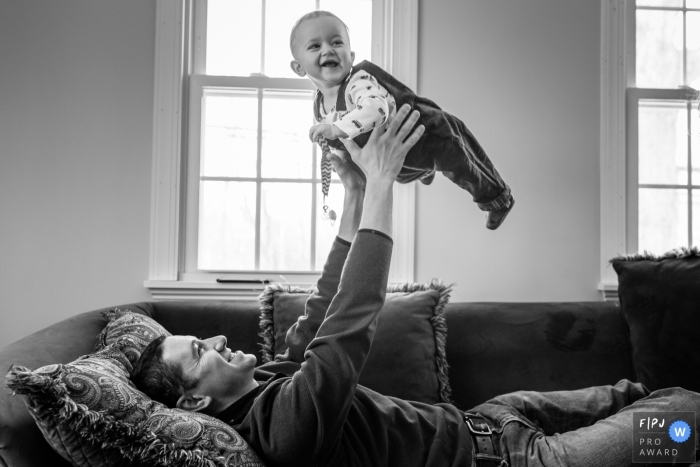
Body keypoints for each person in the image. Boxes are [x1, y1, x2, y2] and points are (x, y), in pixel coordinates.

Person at [133, 106, 700, 467]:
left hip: (493, 418)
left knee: (639, 394)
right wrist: (384, 182)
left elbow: (326, 305)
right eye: (199, 352)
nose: (213, 339)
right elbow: (347, 328)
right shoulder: (283, 429)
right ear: (193, 400)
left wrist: (355, 193)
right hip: (521, 461)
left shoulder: (270, 383)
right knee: (684, 413)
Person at [289, 10, 514, 230]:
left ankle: (497, 199)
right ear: (299, 68)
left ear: (351, 56)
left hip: (427, 134)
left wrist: (336, 129)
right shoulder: (319, 105)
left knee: (462, 162)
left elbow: (376, 108)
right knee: (406, 175)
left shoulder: (357, 82)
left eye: (337, 42)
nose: (328, 50)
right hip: (398, 160)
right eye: (315, 46)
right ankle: (425, 171)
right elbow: (343, 143)